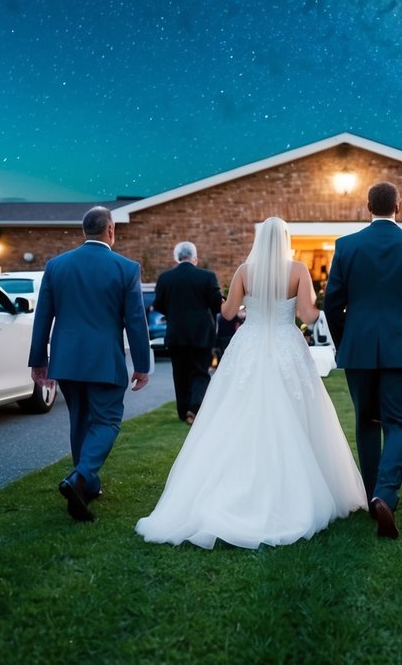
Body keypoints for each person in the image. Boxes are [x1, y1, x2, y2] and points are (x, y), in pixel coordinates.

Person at [136, 217, 366, 549]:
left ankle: (229, 487)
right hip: (286, 344)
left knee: (236, 412)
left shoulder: (245, 270)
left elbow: (228, 313)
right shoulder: (298, 270)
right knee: (297, 412)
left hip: (251, 344)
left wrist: (249, 307)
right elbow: (307, 313)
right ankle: (291, 488)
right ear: (285, 239)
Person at [323, 182, 402, 539]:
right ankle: (385, 494)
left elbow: (332, 303)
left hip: (358, 347)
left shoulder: (346, 246)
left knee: (366, 421)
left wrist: (347, 339)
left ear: (367, 207)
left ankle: (373, 492)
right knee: (400, 423)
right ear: (399, 206)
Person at [29, 206, 152, 522]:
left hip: (66, 360)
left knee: (80, 420)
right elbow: (135, 320)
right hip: (104, 360)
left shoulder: (56, 266)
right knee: (108, 420)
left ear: (85, 230)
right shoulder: (125, 268)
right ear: (110, 229)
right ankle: (80, 478)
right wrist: (142, 364)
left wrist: (38, 360)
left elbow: (43, 316)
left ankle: (88, 485)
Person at [154, 241, 222, 424]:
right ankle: (195, 408)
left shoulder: (165, 278)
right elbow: (217, 305)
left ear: (176, 258)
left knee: (180, 374)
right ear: (195, 258)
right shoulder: (207, 277)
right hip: (201, 334)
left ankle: (183, 411)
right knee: (200, 372)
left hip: (176, 334)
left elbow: (158, 304)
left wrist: (174, 313)